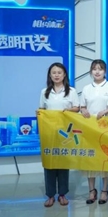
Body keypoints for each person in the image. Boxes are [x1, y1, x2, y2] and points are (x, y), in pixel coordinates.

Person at [38, 62, 80, 207]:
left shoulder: (71, 91)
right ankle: (50, 195)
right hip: (49, 133)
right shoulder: (44, 92)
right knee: (49, 163)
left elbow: (77, 108)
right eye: (54, 72)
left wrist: (67, 111)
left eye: (59, 72)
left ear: (64, 75)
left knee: (63, 163)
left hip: (64, 133)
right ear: (50, 75)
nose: (56, 75)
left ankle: (62, 194)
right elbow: (41, 110)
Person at [79, 59, 108, 205]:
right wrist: (84, 110)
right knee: (91, 159)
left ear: (105, 71)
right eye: (94, 69)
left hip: (106, 127)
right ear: (91, 71)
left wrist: (105, 111)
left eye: (100, 69)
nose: (97, 72)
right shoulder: (87, 88)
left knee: (104, 158)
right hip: (89, 128)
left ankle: (105, 190)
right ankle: (91, 190)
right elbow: (82, 106)